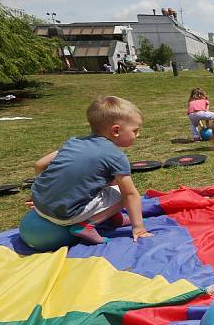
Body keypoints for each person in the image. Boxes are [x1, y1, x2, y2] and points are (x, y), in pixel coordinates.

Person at [29, 96, 152, 244]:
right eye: (135, 131)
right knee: (122, 193)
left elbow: (39, 165)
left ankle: (114, 218)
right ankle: (86, 225)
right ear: (116, 131)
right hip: (65, 215)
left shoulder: (73, 142)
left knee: (109, 183)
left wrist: (47, 192)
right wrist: (138, 227)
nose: (138, 135)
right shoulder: (116, 156)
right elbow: (130, 195)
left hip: (39, 205)